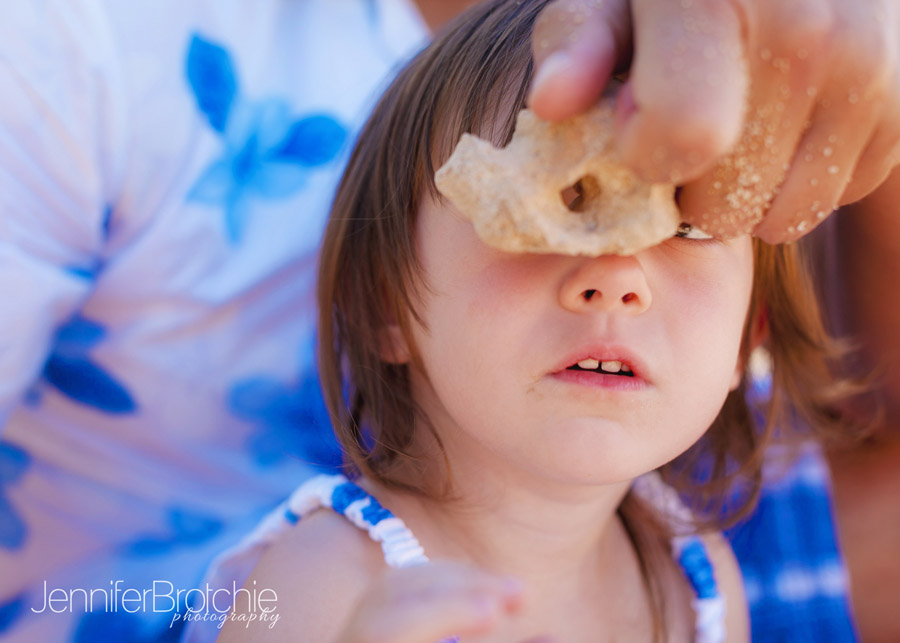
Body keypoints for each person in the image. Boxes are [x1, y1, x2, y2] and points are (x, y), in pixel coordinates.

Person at [0, 0, 896, 640]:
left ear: (749, 339)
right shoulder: (325, 581)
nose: (616, 281)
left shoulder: (698, 579)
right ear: (389, 303)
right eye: (546, 219)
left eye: (687, 227)